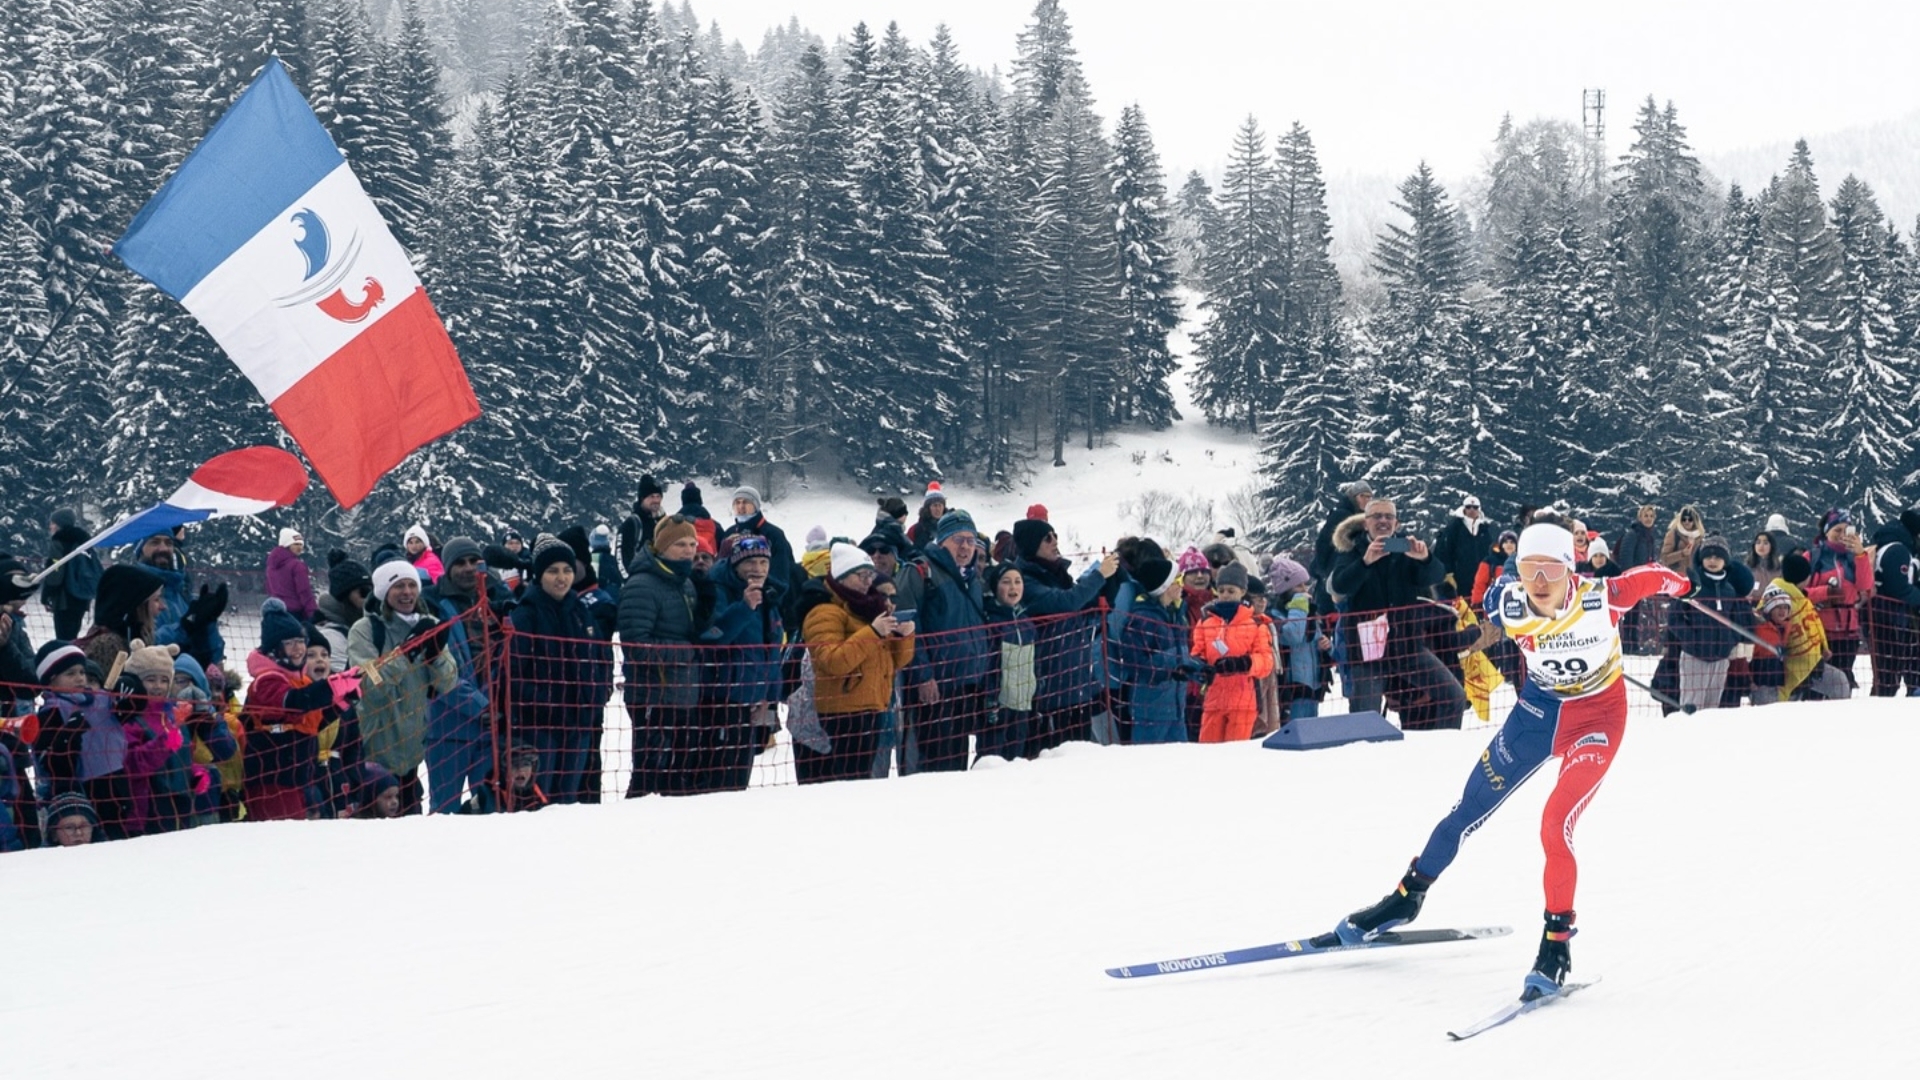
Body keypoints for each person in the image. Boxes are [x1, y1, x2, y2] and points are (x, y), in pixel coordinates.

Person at [1324, 524, 1690, 999]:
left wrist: (1688, 584)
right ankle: (1405, 898)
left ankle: (1556, 943)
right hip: (1535, 717)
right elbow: (1480, 595)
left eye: (1552, 569)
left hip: (1596, 721)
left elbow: (1657, 575)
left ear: (1570, 569)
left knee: (1555, 822)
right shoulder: (1505, 600)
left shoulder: (1605, 597)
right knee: (1464, 812)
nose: (1540, 581)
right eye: (1530, 569)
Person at [1327, 499, 1465, 724]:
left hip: (1407, 645)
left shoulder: (1403, 548)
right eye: (1377, 516)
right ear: (1365, 523)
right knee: (1365, 720)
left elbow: (1435, 576)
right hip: (1367, 652)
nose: (1383, 521)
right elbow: (1339, 587)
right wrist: (1365, 562)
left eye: (1388, 517)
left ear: (1397, 523)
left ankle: (1441, 749)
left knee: (1454, 696)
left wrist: (1425, 559)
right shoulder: (1352, 550)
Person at [508, 535, 615, 803]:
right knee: (539, 798)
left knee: (568, 798)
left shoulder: (580, 610)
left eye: (567, 570)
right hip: (540, 726)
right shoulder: (526, 614)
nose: (561, 578)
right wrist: (548, 705)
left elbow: (600, 657)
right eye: (553, 571)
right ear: (539, 574)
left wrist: (595, 698)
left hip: (578, 724)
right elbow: (513, 673)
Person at [348, 560, 458, 816]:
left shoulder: (429, 622)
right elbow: (370, 684)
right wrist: (405, 653)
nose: (407, 592)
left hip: (411, 756)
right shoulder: (365, 631)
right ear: (384, 592)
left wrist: (435, 656)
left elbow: (448, 682)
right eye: (398, 586)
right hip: (372, 754)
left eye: (411, 585)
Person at [799, 543, 914, 783]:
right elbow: (832, 661)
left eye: (870, 575)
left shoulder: (867, 608)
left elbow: (894, 662)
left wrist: (903, 638)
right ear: (842, 577)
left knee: (860, 781)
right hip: (842, 714)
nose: (867, 582)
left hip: (871, 707)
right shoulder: (823, 612)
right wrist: (872, 632)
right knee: (846, 784)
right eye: (861, 576)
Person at [619, 515, 715, 797]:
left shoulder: (683, 581)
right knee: (649, 775)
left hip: (682, 691)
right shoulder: (643, 585)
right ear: (662, 547)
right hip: (653, 694)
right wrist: (686, 652)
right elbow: (636, 643)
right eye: (680, 544)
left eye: (692, 543)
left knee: (677, 775)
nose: (688, 550)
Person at [1008, 518, 1120, 754]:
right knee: (1053, 759)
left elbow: (1079, 605)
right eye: (1047, 537)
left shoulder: (1058, 573)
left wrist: (1109, 583)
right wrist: (1099, 576)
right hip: (1050, 690)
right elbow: (1065, 603)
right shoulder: (1026, 580)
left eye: (1055, 535)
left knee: (1078, 756)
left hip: (1076, 684)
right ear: (1031, 545)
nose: (1055, 541)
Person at [702, 534, 787, 792]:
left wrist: (769, 699)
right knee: (719, 780)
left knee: (742, 776)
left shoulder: (768, 596)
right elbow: (712, 639)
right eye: (751, 562)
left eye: (763, 562)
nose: (758, 569)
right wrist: (744, 607)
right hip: (723, 700)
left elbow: (771, 652)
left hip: (755, 701)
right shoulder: (718, 591)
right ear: (736, 564)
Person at [242, 602, 336, 821]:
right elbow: (293, 703)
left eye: (301, 642)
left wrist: (344, 700)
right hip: (272, 780)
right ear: (275, 648)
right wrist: (333, 687)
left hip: (298, 778)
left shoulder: (300, 680)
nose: (298, 649)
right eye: (290, 643)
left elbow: (313, 723)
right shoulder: (267, 680)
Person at [1665, 535, 1757, 712]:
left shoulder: (1729, 589)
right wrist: (1691, 638)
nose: (1712, 561)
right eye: (1708, 556)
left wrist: (1729, 641)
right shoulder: (1691, 585)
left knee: (1711, 708)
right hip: (1694, 656)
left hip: (1720, 658)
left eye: (1718, 557)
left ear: (1726, 561)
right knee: (1691, 707)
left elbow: (1736, 621)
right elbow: (1674, 618)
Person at [1116, 558, 1199, 744]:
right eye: (1177, 580)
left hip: (1176, 708)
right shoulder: (1144, 619)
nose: (1181, 585)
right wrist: (1170, 672)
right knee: (1150, 765)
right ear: (1163, 587)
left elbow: (1180, 654)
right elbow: (1136, 663)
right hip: (1151, 710)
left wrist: (1198, 670)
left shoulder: (1175, 614)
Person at [1190, 563, 1275, 742]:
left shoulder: (1256, 624)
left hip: (1243, 701)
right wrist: (1198, 668)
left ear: (1242, 591)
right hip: (1214, 700)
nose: (1225, 596)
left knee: (1235, 756)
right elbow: (1198, 652)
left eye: (1231, 591)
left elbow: (1265, 662)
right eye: (1221, 591)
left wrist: (1242, 663)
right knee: (1208, 753)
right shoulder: (1206, 620)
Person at [1804, 509, 1870, 688]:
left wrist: (1860, 555)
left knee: (1843, 680)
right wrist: (1825, 592)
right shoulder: (1811, 557)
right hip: (1819, 631)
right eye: (1837, 530)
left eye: (1846, 530)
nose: (1841, 535)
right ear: (1827, 532)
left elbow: (1865, 586)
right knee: (1819, 681)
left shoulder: (1853, 558)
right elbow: (1798, 593)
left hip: (1848, 632)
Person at [979, 563, 1038, 762]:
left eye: (1017, 582)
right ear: (996, 587)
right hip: (1000, 703)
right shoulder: (992, 622)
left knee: (1016, 756)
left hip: (1022, 702)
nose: (1013, 588)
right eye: (1006, 582)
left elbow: (1034, 661)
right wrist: (990, 697)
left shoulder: (1026, 621)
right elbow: (989, 664)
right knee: (991, 757)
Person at [1865, 505, 1920, 697]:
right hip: (1891, 619)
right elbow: (1898, 587)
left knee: (1890, 673)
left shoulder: (1890, 546)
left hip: (1885, 618)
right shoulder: (1898, 550)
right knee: (1891, 673)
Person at [44, 508, 99, 640]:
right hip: (81, 596)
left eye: (52, 523)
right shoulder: (84, 541)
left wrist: (47, 594)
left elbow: (56, 571)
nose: (50, 526)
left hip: (64, 599)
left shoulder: (59, 542)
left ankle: (66, 659)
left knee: (63, 638)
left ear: (59, 524)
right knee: (73, 635)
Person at [461, 742, 549, 814]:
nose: (521, 771)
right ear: (503, 769)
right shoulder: (484, 798)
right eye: (514, 765)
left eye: (526, 765)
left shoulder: (538, 797)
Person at [1434, 495, 1494, 591]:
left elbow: (1490, 554)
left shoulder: (1484, 530)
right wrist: (1448, 572)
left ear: (1479, 509)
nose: (1472, 510)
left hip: (1481, 578)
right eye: (1468, 507)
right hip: (1458, 578)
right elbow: (1443, 551)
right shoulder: (1453, 528)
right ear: (1464, 508)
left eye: (1475, 507)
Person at [618, 474, 667, 576]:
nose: (656, 500)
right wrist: (629, 582)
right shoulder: (632, 523)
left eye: (658, 496)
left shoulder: (664, 522)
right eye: (651, 497)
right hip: (638, 582)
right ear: (642, 499)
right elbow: (620, 558)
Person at [265, 527, 317, 622]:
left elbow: (269, 588)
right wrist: (312, 612)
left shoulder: (271, 565)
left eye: (301, 544)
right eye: (296, 544)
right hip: (296, 613)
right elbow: (304, 591)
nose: (300, 547)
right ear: (287, 545)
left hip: (277, 611)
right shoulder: (297, 565)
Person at [908, 481, 948, 549]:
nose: (938, 509)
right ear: (928, 508)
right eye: (934, 506)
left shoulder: (950, 527)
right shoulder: (915, 530)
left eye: (940, 505)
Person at [1745, 530, 1782, 595]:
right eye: (1758, 542)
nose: (1761, 546)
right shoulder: (1747, 568)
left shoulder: (1779, 569)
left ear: (1772, 546)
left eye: (1765, 543)